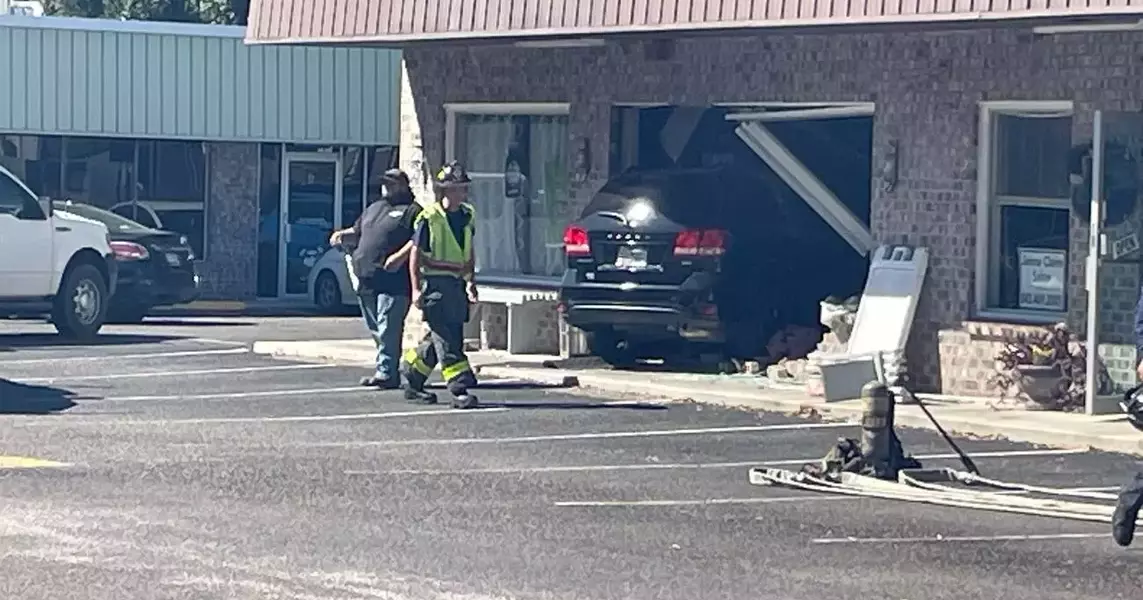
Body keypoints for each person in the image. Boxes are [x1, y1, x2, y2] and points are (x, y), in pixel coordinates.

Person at [398, 161, 480, 409]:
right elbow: (415, 254)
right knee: (448, 339)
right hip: (435, 286)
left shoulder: (467, 215)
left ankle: (412, 376)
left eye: (464, 189)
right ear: (445, 190)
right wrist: (415, 290)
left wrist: (471, 281)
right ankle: (459, 389)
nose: (462, 194)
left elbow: (469, 249)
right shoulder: (429, 218)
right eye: (457, 189)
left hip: (456, 286)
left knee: (439, 339)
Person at [330, 169, 421, 389]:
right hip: (366, 278)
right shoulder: (374, 208)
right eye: (384, 183)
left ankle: (387, 373)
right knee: (376, 327)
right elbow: (357, 231)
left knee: (388, 325)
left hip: (394, 281)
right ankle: (385, 368)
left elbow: (420, 239)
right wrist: (342, 235)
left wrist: (399, 258)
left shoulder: (413, 211)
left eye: (391, 184)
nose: (386, 188)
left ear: (403, 185)